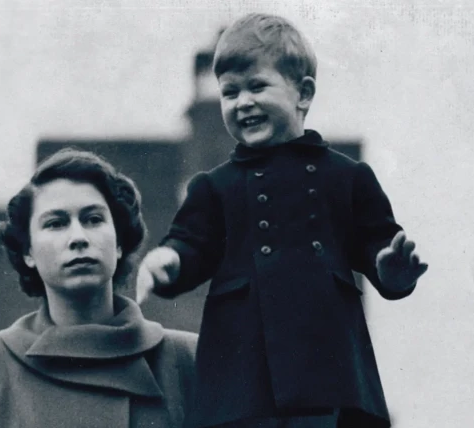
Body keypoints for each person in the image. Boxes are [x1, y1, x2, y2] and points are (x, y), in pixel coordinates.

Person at [137, 13, 428, 428]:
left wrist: (391, 270)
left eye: (257, 86)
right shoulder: (214, 186)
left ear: (303, 94)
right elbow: (192, 243)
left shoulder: (346, 177)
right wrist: (170, 261)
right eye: (229, 92)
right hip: (241, 373)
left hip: (327, 368)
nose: (243, 102)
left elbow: (377, 241)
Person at [0, 148, 198, 428]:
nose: (78, 237)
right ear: (28, 252)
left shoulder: (187, 359)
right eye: (56, 224)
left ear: (118, 243)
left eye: (93, 219)